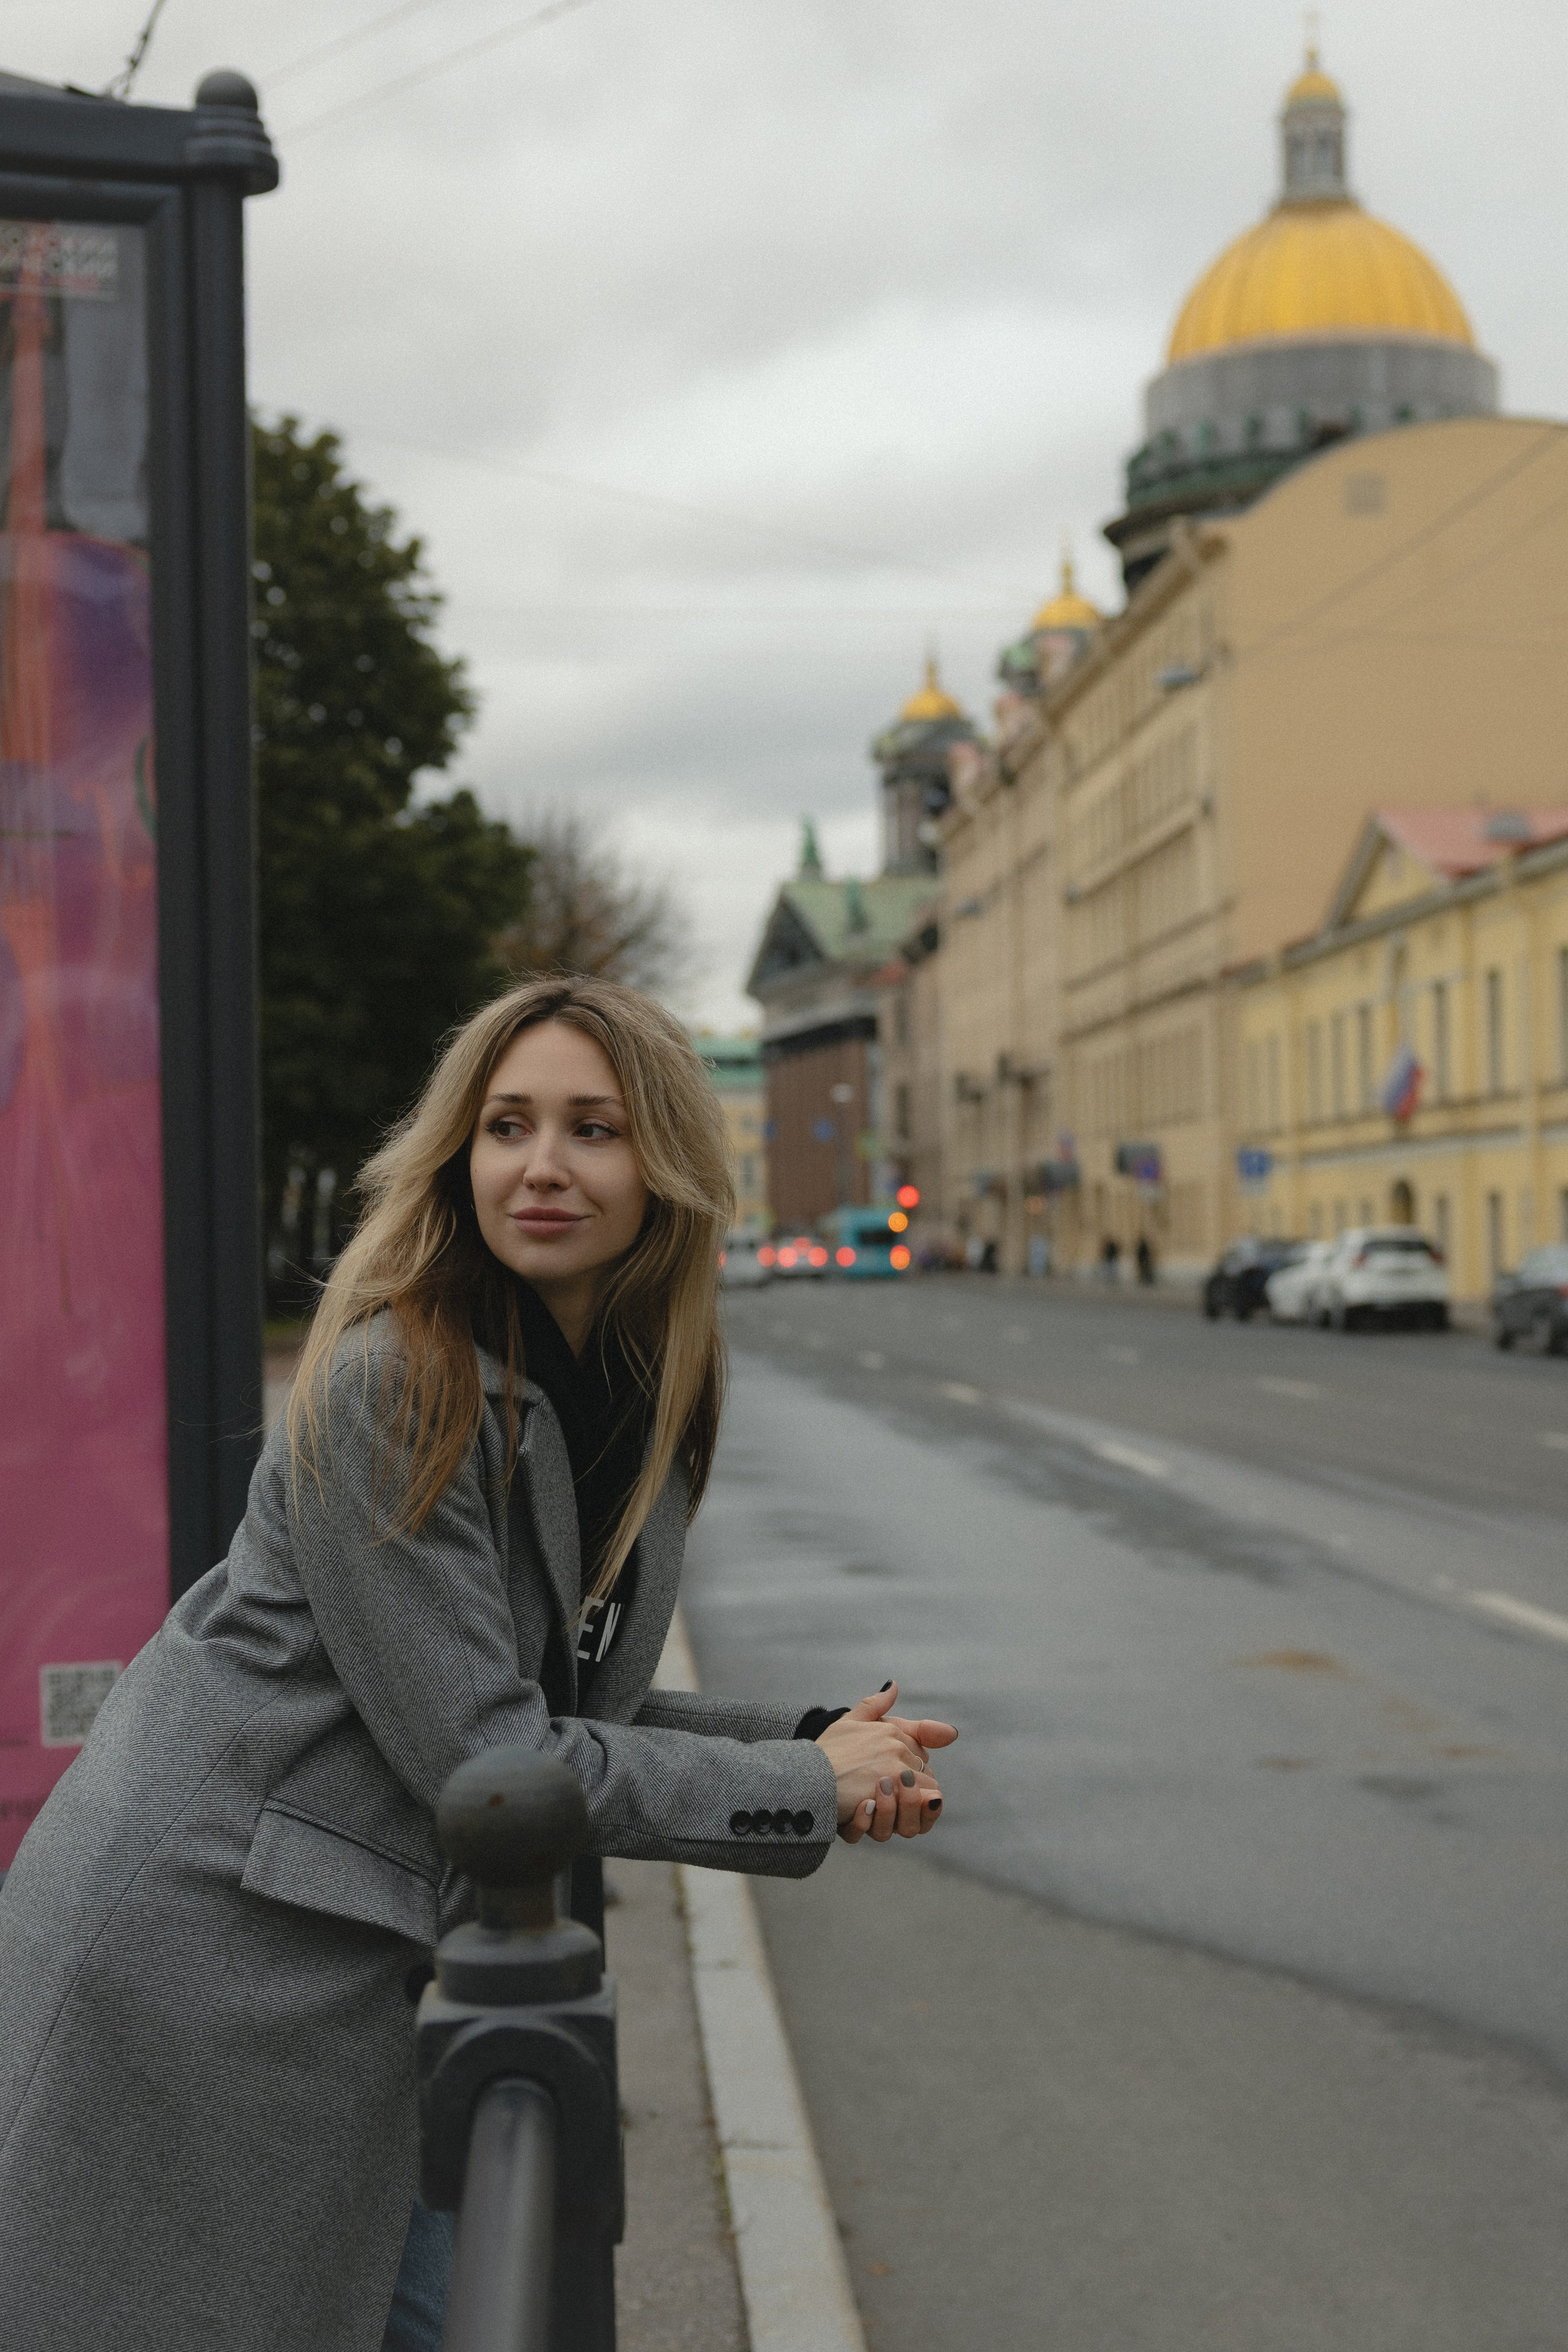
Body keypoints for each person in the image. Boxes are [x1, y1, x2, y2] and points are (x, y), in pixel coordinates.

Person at [0, 977, 957, 2352]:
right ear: (460, 1154)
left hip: (350, 1960)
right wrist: (799, 1783)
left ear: (664, 1167)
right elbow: (487, 1761)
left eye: (592, 1128)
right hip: (213, 1956)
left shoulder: (627, 1387)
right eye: (508, 1125)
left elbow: (559, 1707)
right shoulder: (401, 1378)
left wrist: (820, 1745)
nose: (543, 1166)